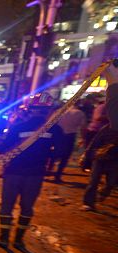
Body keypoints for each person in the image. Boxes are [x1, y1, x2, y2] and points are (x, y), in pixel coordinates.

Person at [0, 92, 63, 249]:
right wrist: (45, 155)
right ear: (49, 111)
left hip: (13, 172)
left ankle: (4, 238)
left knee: (7, 206)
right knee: (27, 207)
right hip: (36, 174)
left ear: (29, 109)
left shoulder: (18, 127)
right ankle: (19, 240)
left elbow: (2, 149)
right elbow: (60, 152)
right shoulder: (55, 130)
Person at [81, 63, 118, 211]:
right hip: (100, 158)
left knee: (111, 183)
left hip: (114, 160)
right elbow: (94, 143)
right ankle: (88, 202)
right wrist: (87, 156)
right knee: (94, 181)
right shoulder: (106, 128)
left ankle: (102, 194)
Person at [48, 103, 85, 183]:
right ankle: (58, 175)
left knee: (54, 153)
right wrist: (82, 138)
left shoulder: (60, 111)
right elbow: (83, 127)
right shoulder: (79, 113)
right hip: (70, 136)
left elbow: (50, 123)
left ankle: (49, 169)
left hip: (58, 134)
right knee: (65, 156)